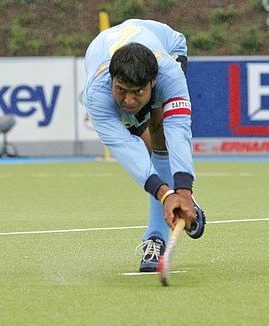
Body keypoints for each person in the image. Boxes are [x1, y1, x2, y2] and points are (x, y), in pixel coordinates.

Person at [83, 19, 206, 272]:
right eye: (121, 90)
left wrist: (183, 188)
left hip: (170, 45)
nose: (128, 100)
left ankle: (155, 237)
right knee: (141, 144)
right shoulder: (98, 95)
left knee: (159, 123)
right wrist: (165, 194)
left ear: (152, 83)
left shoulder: (169, 75)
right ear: (112, 80)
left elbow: (179, 129)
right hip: (104, 49)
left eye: (137, 92)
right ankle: (170, 203)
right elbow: (128, 153)